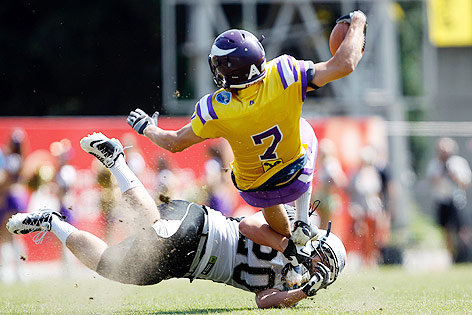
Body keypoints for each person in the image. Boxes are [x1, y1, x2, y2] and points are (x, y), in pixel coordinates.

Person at [6, 132, 346, 308]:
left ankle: (52, 223)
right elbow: (247, 225)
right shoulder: (291, 230)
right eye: (319, 258)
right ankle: (116, 160)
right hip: (203, 228)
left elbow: (261, 300)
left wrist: (300, 293)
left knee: (114, 268)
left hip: (190, 265)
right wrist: (288, 246)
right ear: (320, 250)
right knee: (159, 230)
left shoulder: (295, 282)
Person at [126, 11, 367, 250]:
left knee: (266, 194)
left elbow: (174, 142)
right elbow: (344, 64)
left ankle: (292, 245)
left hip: (256, 190)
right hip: (294, 177)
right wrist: (357, 21)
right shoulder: (283, 75)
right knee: (304, 127)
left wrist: (147, 128)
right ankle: (303, 218)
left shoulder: (215, 109)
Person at [426, 137, 472, 262]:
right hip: (442, 200)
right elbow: (431, 181)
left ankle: (465, 254)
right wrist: (441, 173)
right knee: (446, 230)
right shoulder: (434, 164)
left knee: (462, 229)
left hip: (456, 200)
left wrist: (453, 175)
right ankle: (451, 256)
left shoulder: (458, 163)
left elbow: (465, 183)